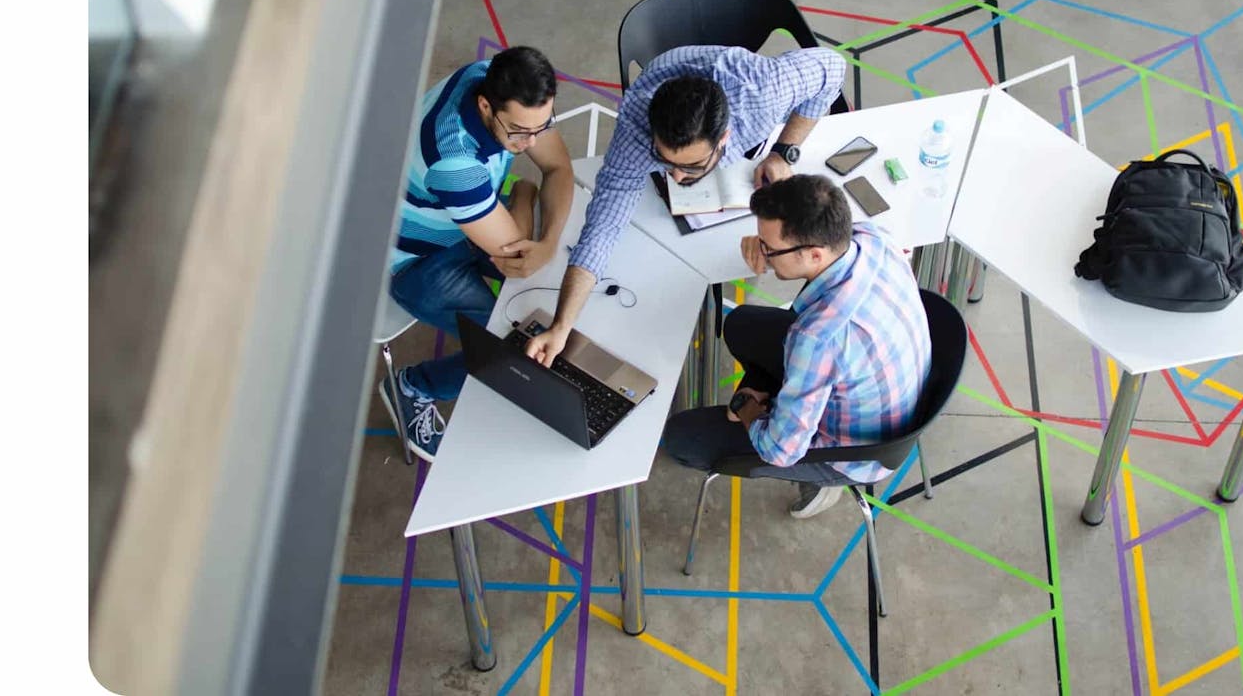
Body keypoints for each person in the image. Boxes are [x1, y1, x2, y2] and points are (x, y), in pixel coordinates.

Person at [518, 45, 846, 367]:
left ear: (724, 139)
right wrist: (561, 327)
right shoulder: (636, 128)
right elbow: (603, 226)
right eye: (664, 160)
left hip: (739, 83)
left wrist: (784, 150)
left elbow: (833, 67)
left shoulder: (762, 93)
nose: (674, 176)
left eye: (690, 166)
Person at [660, 175, 931, 517]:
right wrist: (765, 244)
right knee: (741, 324)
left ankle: (819, 484)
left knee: (682, 437)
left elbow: (779, 451)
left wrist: (748, 408)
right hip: (887, 392)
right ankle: (786, 399)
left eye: (769, 249)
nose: (763, 253)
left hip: (853, 451)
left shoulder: (818, 338)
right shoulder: (872, 238)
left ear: (814, 254)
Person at [379, 45, 576, 460]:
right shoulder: (455, 163)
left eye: (542, 127)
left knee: (549, 290)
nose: (531, 142)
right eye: (520, 132)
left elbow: (558, 168)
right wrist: (524, 195)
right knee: (509, 346)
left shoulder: (496, 78)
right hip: (416, 261)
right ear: (486, 106)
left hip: (467, 222)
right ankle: (413, 386)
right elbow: (518, 258)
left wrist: (549, 242)